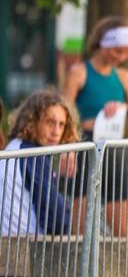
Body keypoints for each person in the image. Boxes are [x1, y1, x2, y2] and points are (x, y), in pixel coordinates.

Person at [62, 16, 128, 237]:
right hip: (85, 147)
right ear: (103, 44)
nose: (122, 57)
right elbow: (64, 114)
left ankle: (121, 271)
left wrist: (124, 109)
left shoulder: (123, 76)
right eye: (117, 51)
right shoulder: (79, 72)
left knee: (124, 234)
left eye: (127, 52)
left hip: (113, 149)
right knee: (79, 235)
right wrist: (68, 149)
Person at [0, 90, 80, 236]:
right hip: (25, 247)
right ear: (32, 121)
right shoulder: (32, 154)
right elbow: (55, 213)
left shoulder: (14, 147)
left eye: (61, 125)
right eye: (50, 122)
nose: (56, 132)